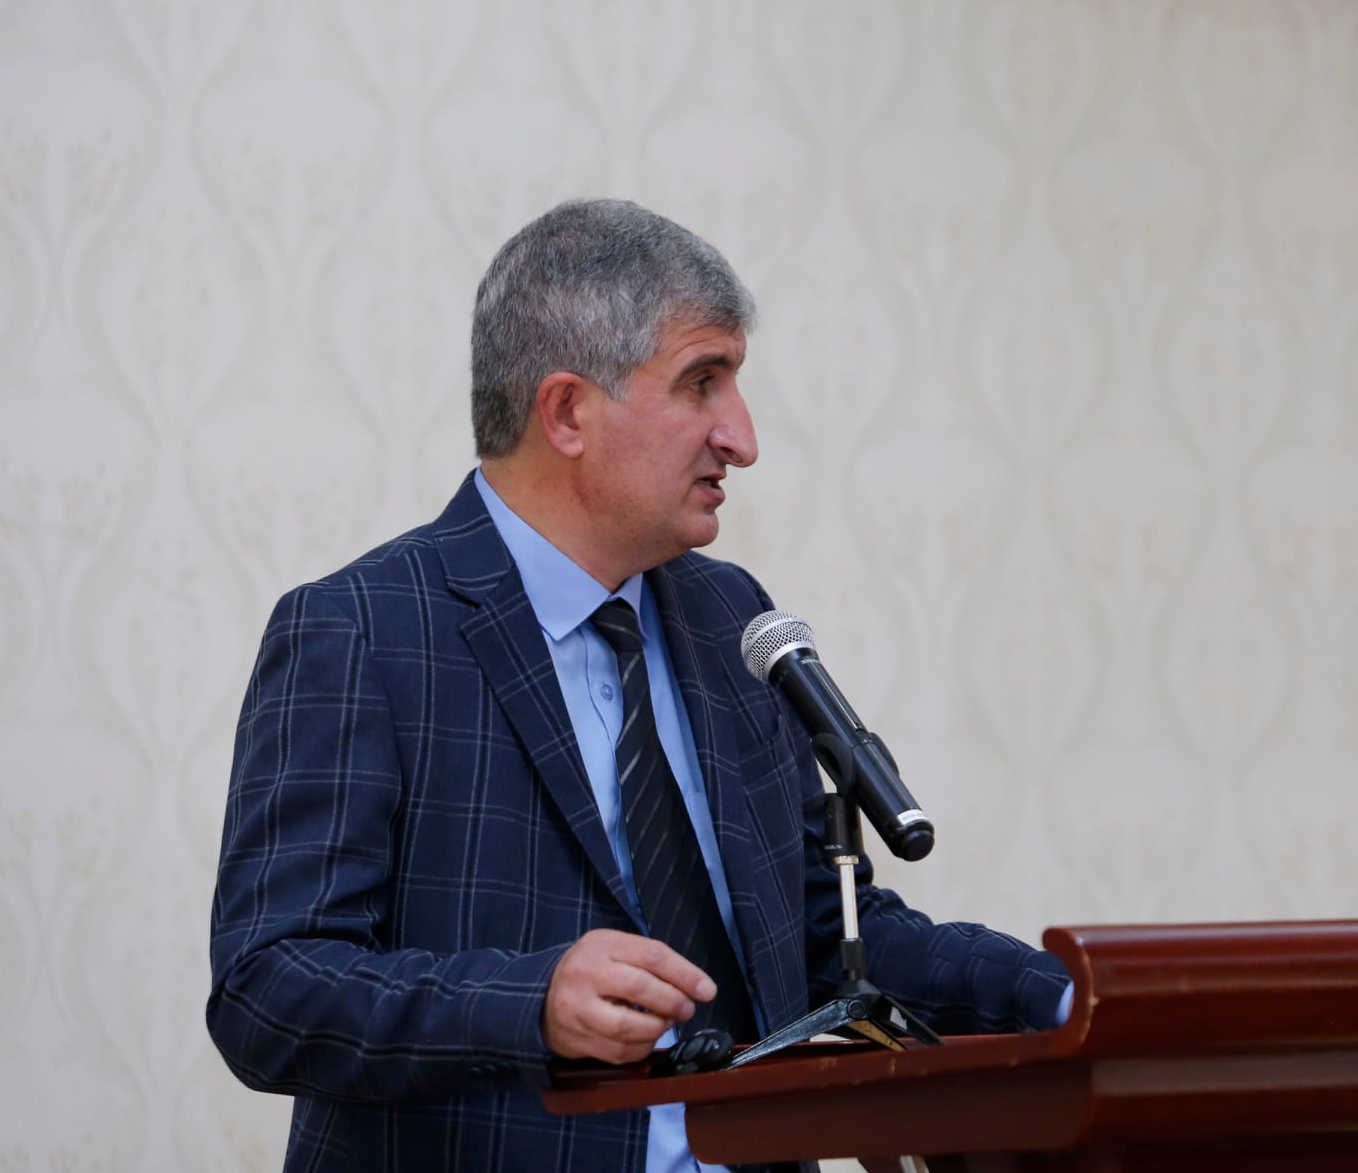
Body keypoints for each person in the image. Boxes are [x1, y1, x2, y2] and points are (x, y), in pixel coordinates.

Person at [207, 199, 1070, 1172]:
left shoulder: (732, 619)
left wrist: (1064, 995)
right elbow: (267, 990)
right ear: (568, 412)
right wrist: (528, 1005)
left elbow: (823, 939)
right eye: (702, 382)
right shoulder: (364, 629)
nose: (742, 437)